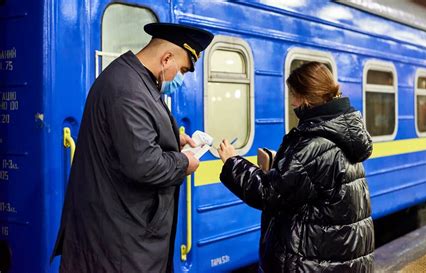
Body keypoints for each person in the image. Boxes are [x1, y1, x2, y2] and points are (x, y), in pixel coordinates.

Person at [51, 23, 214, 272]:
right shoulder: (129, 90)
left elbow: (130, 137)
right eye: (182, 70)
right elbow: (145, 165)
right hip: (119, 243)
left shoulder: (133, 80)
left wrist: (172, 137)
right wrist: (185, 163)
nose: (180, 78)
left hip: (122, 234)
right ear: (166, 58)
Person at [218, 62, 374, 272]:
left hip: (311, 261)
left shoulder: (315, 143)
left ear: (307, 98)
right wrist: (282, 165)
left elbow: (268, 193)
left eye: (294, 94)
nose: (292, 102)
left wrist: (232, 162)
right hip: (337, 257)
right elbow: (312, 182)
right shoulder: (342, 134)